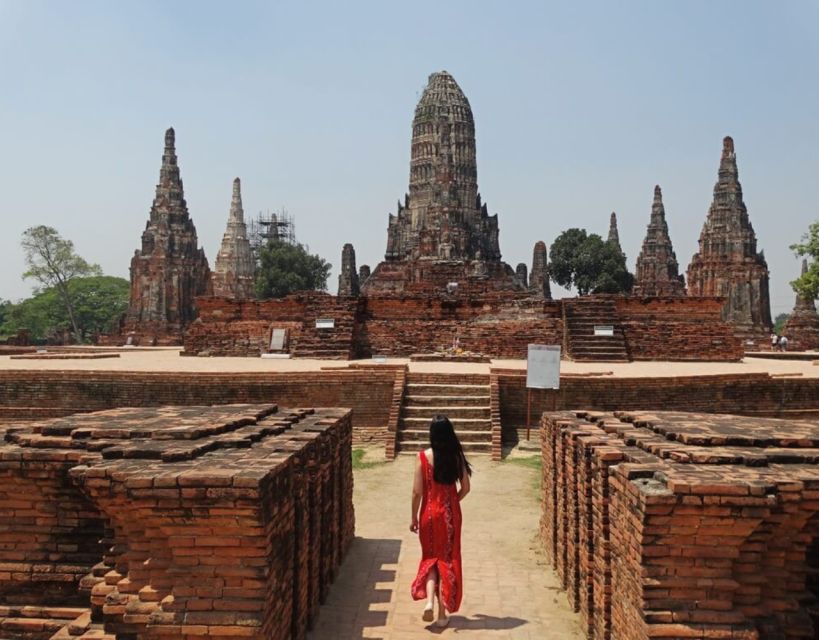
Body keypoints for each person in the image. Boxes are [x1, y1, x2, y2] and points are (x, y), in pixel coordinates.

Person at [410, 415, 472, 627]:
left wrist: (413, 517)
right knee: (447, 559)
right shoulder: (456, 457)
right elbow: (466, 488)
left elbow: (417, 492)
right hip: (450, 515)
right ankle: (443, 614)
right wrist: (453, 501)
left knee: (430, 558)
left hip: (428, 514)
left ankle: (429, 602)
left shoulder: (423, 457)